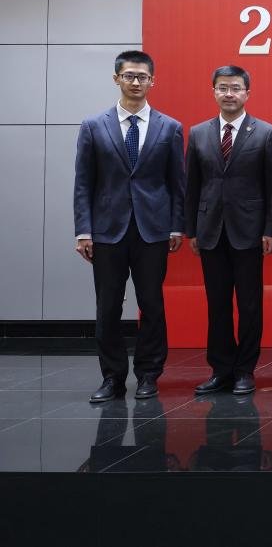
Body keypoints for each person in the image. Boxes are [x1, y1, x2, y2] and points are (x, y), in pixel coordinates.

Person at [73, 50, 185, 403]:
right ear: (116, 79)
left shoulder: (170, 127)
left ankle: (149, 374)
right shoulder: (94, 126)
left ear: (153, 81)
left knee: (152, 304)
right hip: (107, 230)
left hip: (153, 229)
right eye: (129, 76)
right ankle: (112, 378)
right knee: (108, 306)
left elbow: (177, 183)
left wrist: (177, 226)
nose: (136, 82)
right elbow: (83, 183)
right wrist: (84, 230)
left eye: (142, 77)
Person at [185, 65, 272, 397]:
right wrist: (191, 229)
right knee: (218, 304)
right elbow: (192, 185)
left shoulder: (265, 133)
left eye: (236, 88)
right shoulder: (198, 133)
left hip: (250, 231)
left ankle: (245, 370)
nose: (229, 94)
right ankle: (220, 370)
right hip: (210, 230)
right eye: (223, 88)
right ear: (214, 91)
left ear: (247, 93)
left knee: (250, 304)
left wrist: (271, 229)